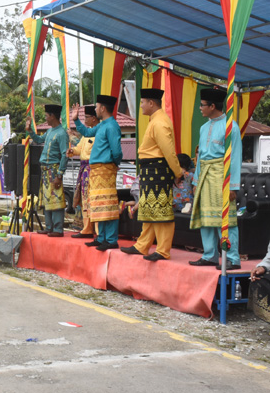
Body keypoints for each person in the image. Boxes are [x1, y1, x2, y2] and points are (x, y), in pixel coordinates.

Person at [122, 88, 183, 261]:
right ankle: (142, 246)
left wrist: (177, 171)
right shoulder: (154, 120)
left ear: (151, 103)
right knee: (149, 209)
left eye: (142, 102)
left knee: (161, 211)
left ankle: (163, 250)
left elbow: (169, 151)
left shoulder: (160, 122)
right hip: (151, 171)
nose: (140, 106)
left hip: (159, 171)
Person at [189, 88, 242, 269]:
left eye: (202, 105)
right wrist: (196, 181)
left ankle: (232, 259)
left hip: (222, 177)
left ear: (212, 106)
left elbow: (235, 157)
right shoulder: (204, 128)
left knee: (225, 219)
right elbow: (200, 159)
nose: (200, 108)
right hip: (205, 176)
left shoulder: (230, 126)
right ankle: (209, 255)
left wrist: (233, 186)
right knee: (206, 219)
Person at [71, 97, 123, 249]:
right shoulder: (102, 126)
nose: (94, 109)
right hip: (96, 171)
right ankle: (101, 238)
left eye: (97, 107)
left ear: (102, 109)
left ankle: (111, 240)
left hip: (105, 169)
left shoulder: (112, 126)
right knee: (98, 204)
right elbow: (86, 132)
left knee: (107, 204)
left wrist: (113, 164)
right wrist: (76, 120)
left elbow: (117, 151)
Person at [25, 104, 69, 237]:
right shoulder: (50, 131)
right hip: (45, 170)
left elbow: (65, 155)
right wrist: (30, 130)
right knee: (47, 200)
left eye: (46, 116)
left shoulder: (61, 133)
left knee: (56, 200)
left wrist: (60, 175)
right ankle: (49, 227)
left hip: (54, 170)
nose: (45, 118)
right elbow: (38, 140)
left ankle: (58, 229)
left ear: (52, 116)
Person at [67, 105, 99, 239]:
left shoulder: (98, 133)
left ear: (94, 118)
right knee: (85, 200)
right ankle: (86, 228)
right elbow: (80, 148)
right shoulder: (87, 134)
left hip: (93, 170)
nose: (84, 119)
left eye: (86, 117)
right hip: (84, 170)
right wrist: (73, 151)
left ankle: (97, 231)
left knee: (94, 200)